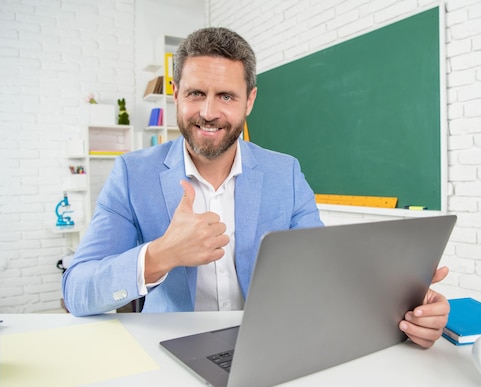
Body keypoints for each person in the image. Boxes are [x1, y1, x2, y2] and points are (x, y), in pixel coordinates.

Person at [62, 27, 450, 349]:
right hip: (166, 351)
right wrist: (160, 255)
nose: (209, 112)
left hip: (267, 347)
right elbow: (77, 291)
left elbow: (324, 274)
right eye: (196, 93)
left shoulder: (285, 172)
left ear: (249, 101)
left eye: (226, 96)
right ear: (176, 93)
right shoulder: (132, 174)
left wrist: (406, 307)